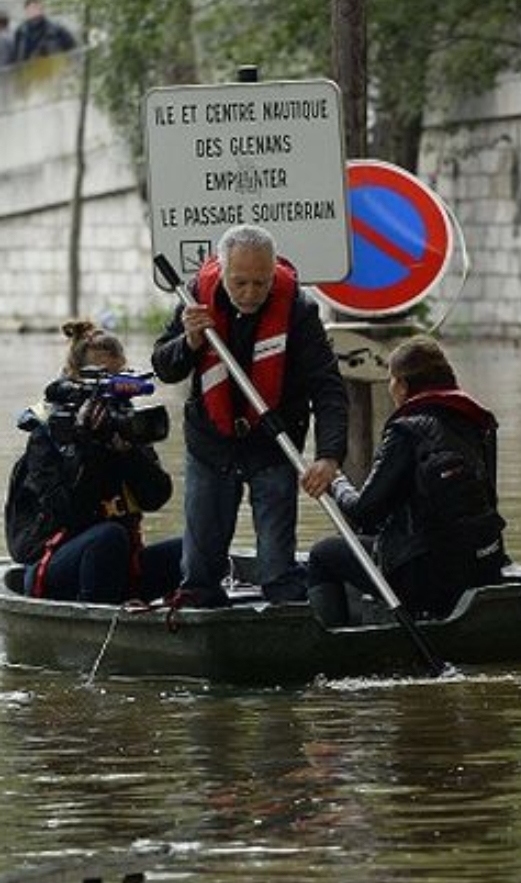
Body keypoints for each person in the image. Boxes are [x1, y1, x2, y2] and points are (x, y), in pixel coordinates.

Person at [151, 224, 347, 607]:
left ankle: (288, 626)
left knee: (277, 569)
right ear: (221, 270)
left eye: (261, 283)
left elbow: (328, 388)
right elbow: (164, 366)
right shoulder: (194, 298)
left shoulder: (299, 310)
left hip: (274, 445)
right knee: (199, 569)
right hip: (210, 444)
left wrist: (329, 456)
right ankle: (201, 623)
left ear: (273, 273)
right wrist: (188, 343)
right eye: (240, 282)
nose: (251, 294)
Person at [306, 335, 508, 625]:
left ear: (401, 385)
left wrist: (337, 482)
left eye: (391, 381)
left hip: (425, 576)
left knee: (324, 554)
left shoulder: (406, 432)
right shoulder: (479, 424)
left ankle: (332, 648)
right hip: (483, 563)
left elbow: (364, 511)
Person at [7, 321, 182, 603]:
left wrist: (128, 452)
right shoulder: (48, 433)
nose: (114, 398)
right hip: (55, 566)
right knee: (108, 537)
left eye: (120, 384)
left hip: (121, 562)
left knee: (200, 549)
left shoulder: (125, 424)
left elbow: (155, 498)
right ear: (77, 380)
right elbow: (66, 511)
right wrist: (88, 447)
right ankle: (96, 626)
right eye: (105, 386)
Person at [11, 0, 76, 63]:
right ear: (26, 10)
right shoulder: (21, 31)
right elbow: (17, 55)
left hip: (52, 70)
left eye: (37, 8)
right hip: (29, 71)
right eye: (32, 8)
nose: (35, 11)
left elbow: (73, 49)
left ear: (42, 9)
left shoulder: (57, 29)